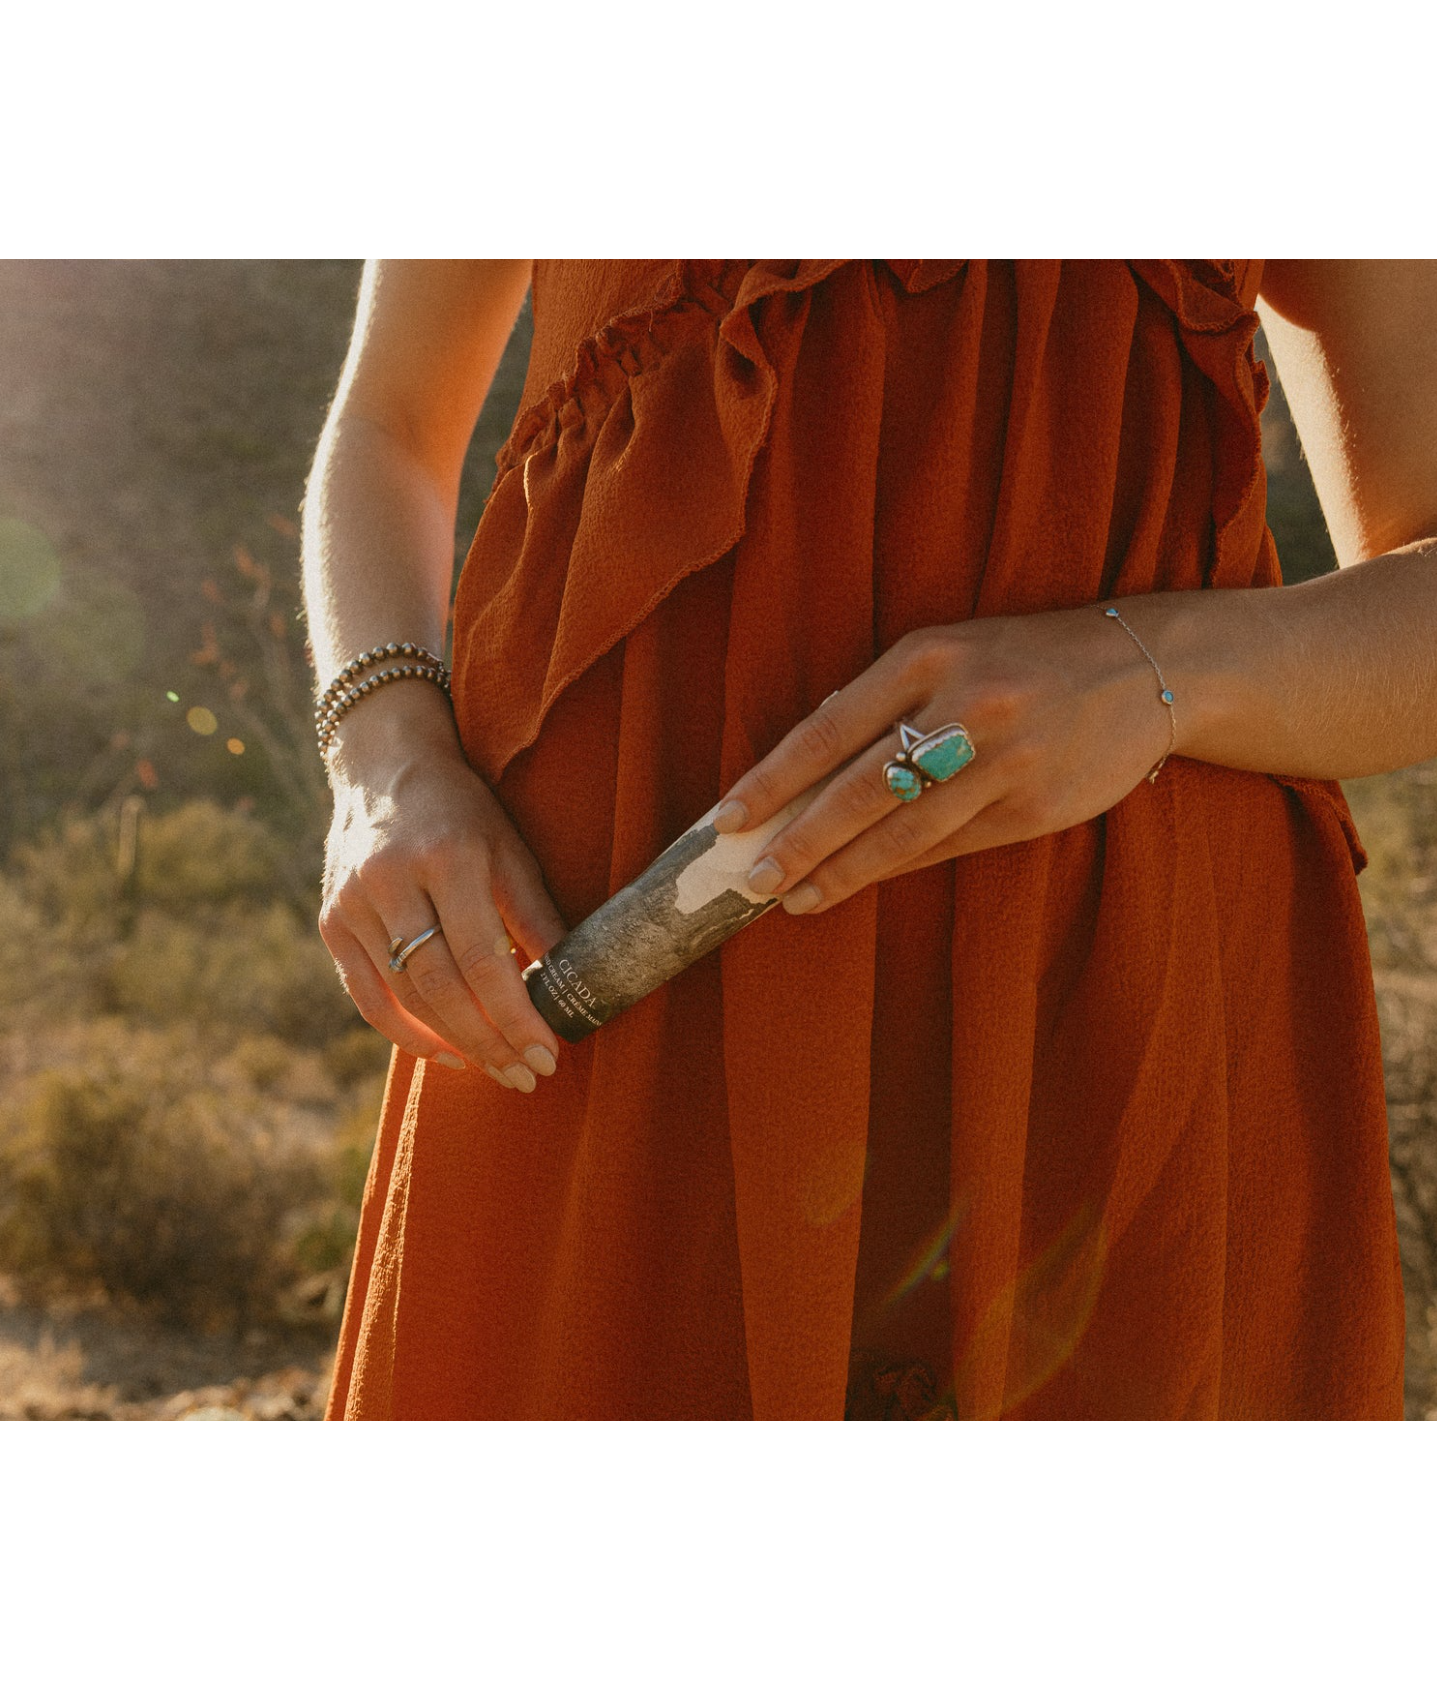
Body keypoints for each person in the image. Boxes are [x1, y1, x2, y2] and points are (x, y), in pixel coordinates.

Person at [302, 260, 1436, 1419]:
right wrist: (386, 764)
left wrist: (1150, 669)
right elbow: (389, 427)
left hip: (1124, 998)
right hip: (596, 981)